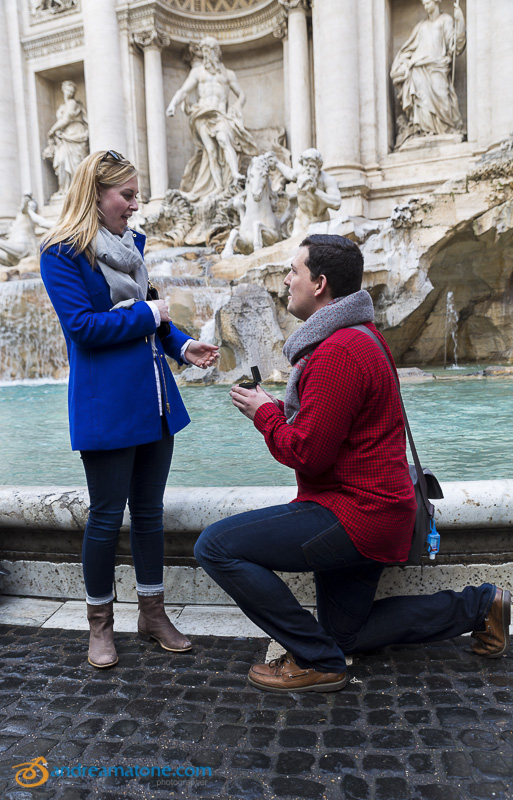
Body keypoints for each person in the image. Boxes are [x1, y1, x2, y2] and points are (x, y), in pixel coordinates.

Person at [194, 233, 511, 693]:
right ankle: (481, 607)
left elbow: (305, 453)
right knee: (349, 633)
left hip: (354, 514)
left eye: (294, 271)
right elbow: (334, 427)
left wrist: (264, 415)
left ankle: (317, 660)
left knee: (215, 546)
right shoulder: (360, 337)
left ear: (319, 284)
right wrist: (280, 412)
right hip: (375, 508)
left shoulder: (336, 352)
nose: (286, 280)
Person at [40, 150, 219, 669]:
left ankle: (152, 612)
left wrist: (182, 345)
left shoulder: (130, 246)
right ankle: (99, 624)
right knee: (103, 518)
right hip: (106, 406)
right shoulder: (61, 253)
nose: (136, 206)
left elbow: (152, 317)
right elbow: (84, 328)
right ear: (95, 195)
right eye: (128, 195)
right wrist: (148, 312)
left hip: (154, 398)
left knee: (147, 514)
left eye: (136, 195)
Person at [166, 36, 257, 198]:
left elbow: (241, 95)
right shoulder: (197, 72)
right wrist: (173, 104)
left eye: (212, 50)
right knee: (211, 151)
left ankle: (235, 174)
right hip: (202, 113)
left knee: (223, 138)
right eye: (206, 51)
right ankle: (218, 186)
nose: (209, 55)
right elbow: (184, 91)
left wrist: (237, 106)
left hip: (220, 114)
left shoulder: (228, 74)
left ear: (218, 52)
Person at [390, 0, 466, 148]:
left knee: (442, 99)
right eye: (423, 3)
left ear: (436, 2)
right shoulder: (421, 27)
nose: (425, 6)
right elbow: (408, 50)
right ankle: (425, 131)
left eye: (428, 2)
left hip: (438, 67)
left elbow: (455, 46)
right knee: (422, 103)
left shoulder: (446, 20)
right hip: (418, 70)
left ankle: (445, 129)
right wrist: (402, 65)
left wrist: (460, 21)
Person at [269, 148, 341, 237]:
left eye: (311, 166)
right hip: (301, 222)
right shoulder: (301, 172)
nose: (307, 169)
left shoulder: (327, 180)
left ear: (318, 167)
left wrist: (316, 192)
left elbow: (337, 203)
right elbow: (290, 174)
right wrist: (276, 162)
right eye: (305, 165)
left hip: (320, 223)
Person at [42, 80, 89, 197]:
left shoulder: (72, 103)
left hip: (75, 133)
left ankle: (79, 190)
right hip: (64, 137)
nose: (69, 92)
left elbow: (67, 119)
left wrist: (52, 130)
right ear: (63, 91)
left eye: (71, 90)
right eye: (67, 90)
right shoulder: (63, 106)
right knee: (62, 160)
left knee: (77, 162)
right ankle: (65, 189)